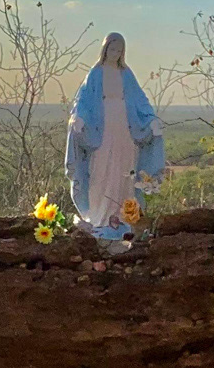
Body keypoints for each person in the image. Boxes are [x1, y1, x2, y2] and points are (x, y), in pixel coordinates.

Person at [65, 32, 163, 241]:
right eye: (112, 49)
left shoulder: (126, 74)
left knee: (123, 169)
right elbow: (82, 100)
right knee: (100, 169)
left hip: (125, 128)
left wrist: (151, 119)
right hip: (102, 129)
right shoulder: (95, 73)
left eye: (119, 50)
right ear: (105, 49)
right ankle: (99, 215)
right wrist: (79, 118)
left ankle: (123, 216)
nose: (115, 53)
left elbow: (140, 100)